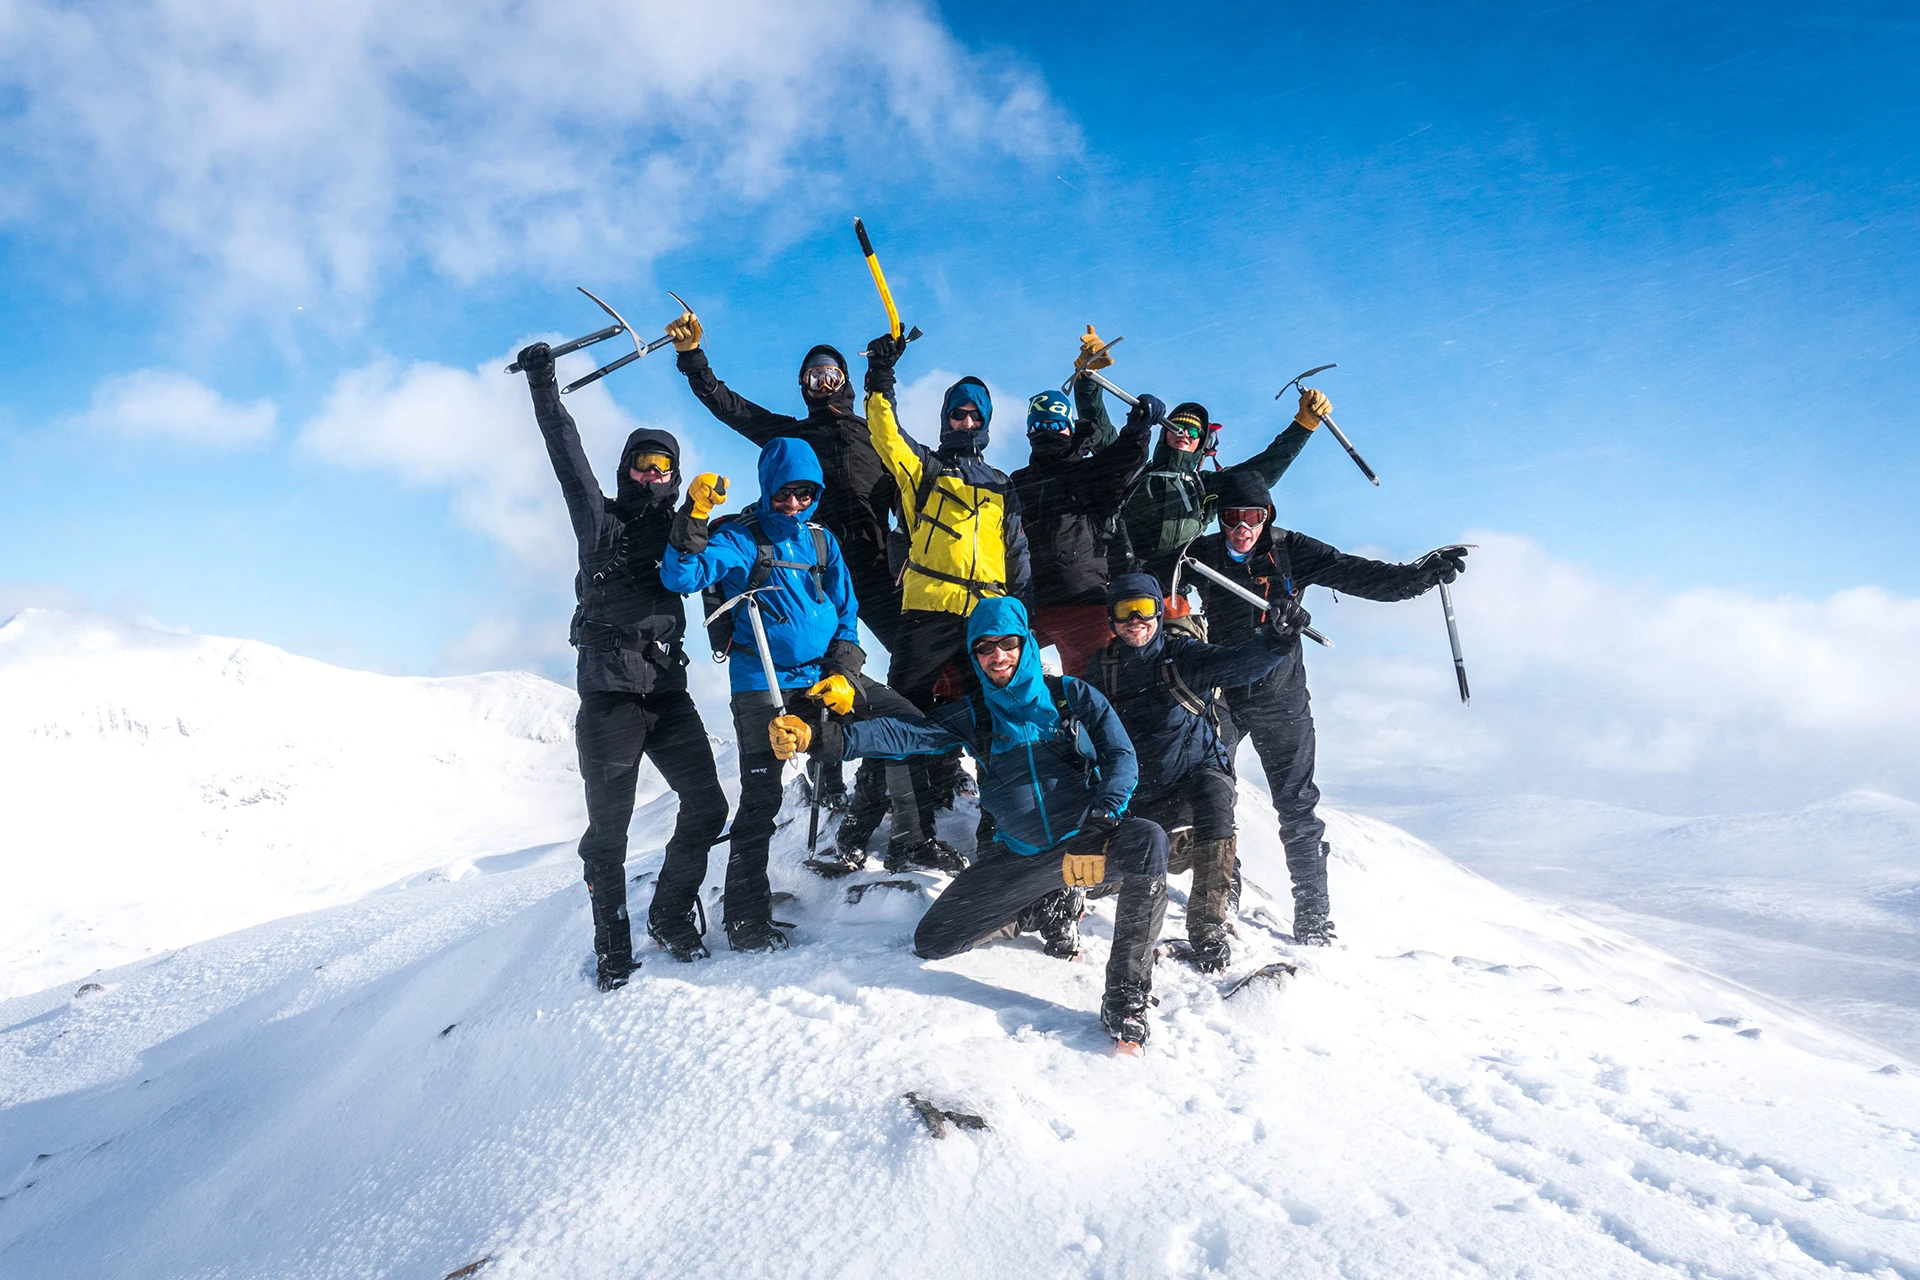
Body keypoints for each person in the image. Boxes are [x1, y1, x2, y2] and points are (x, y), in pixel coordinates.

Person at [771, 597, 1169, 1050]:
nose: (997, 656)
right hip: (1021, 858)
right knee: (936, 941)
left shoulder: (1071, 697)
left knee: (1147, 840)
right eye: (984, 647)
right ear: (974, 655)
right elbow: (908, 735)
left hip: (1089, 846)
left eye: (1008, 643)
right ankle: (1042, 905)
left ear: (1027, 644)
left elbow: (1122, 757)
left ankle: (1126, 1000)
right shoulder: (976, 713)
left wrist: (1104, 818)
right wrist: (828, 739)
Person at [514, 340, 729, 990]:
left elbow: (727, 557)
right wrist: (544, 385)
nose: (650, 474)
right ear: (625, 470)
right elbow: (566, 456)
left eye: (662, 465)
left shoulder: (684, 533)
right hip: (608, 698)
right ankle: (613, 948)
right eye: (640, 464)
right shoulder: (599, 524)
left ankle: (667, 913)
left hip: (667, 694)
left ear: (675, 473)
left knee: (708, 806)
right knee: (608, 832)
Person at [1188, 467, 1470, 945]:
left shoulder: (1291, 549)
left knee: (1297, 806)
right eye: (1232, 516)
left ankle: (1314, 915)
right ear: (1219, 518)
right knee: (1213, 796)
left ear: (1266, 515)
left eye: (1252, 516)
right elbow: (1148, 588)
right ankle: (1223, 890)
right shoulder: (1199, 556)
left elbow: (1362, 575)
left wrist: (1422, 575)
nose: (1242, 527)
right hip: (1222, 695)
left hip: (1282, 699)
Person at [823, 332, 1033, 874]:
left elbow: (1016, 553)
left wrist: (1019, 614)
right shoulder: (926, 470)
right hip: (928, 615)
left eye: (972, 416)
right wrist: (880, 377)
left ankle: (998, 839)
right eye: (956, 415)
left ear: (985, 424)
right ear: (945, 421)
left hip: (987, 618)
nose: (964, 423)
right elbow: (885, 433)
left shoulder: (1002, 486)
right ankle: (863, 827)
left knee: (994, 723)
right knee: (904, 716)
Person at [657, 438, 866, 952]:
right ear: (767, 490)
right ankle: (746, 918)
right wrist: (696, 516)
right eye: (783, 495)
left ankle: (866, 828)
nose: (793, 504)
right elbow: (681, 574)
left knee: (873, 734)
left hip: (818, 679)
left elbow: (846, 614)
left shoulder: (822, 543)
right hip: (760, 684)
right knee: (761, 797)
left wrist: (844, 669)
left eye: (804, 494)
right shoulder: (742, 539)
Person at [1086, 572, 1309, 971]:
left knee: (1216, 794)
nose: (1136, 619)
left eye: (1145, 609)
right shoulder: (1102, 667)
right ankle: (1156, 862)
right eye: (1124, 610)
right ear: (1111, 619)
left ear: (1159, 612)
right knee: (1104, 876)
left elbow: (1242, 665)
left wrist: (1277, 639)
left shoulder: (1184, 656)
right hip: (1138, 792)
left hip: (1192, 781)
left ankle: (1208, 926)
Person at [1076, 351, 1329, 590]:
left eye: (1194, 431)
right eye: (1177, 426)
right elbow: (1103, 436)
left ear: (1201, 442)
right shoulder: (1136, 469)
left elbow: (1260, 473)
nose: (1184, 433)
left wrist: (1302, 427)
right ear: (1164, 432)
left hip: (1174, 590)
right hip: (1121, 580)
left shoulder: (1205, 487)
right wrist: (1088, 381)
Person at [1010, 326, 1153, 680]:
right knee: (1007, 674)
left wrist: (1137, 432)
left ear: (1069, 429)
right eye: (1040, 424)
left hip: (1082, 599)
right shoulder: (1017, 481)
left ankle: (1094, 733)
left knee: (1092, 683)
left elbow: (1121, 462)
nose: (1048, 431)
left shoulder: (1088, 474)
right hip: (1030, 602)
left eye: (1057, 424)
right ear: (1029, 432)